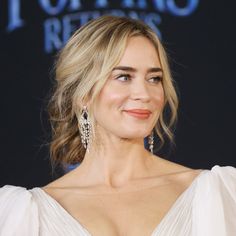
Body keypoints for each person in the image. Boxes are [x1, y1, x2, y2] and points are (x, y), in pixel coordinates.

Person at [0, 15, 235, 236]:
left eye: (154, 79)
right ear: (83, 94)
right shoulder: (28, 214)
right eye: (124, 77)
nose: (144, 94)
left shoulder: (216, 193)